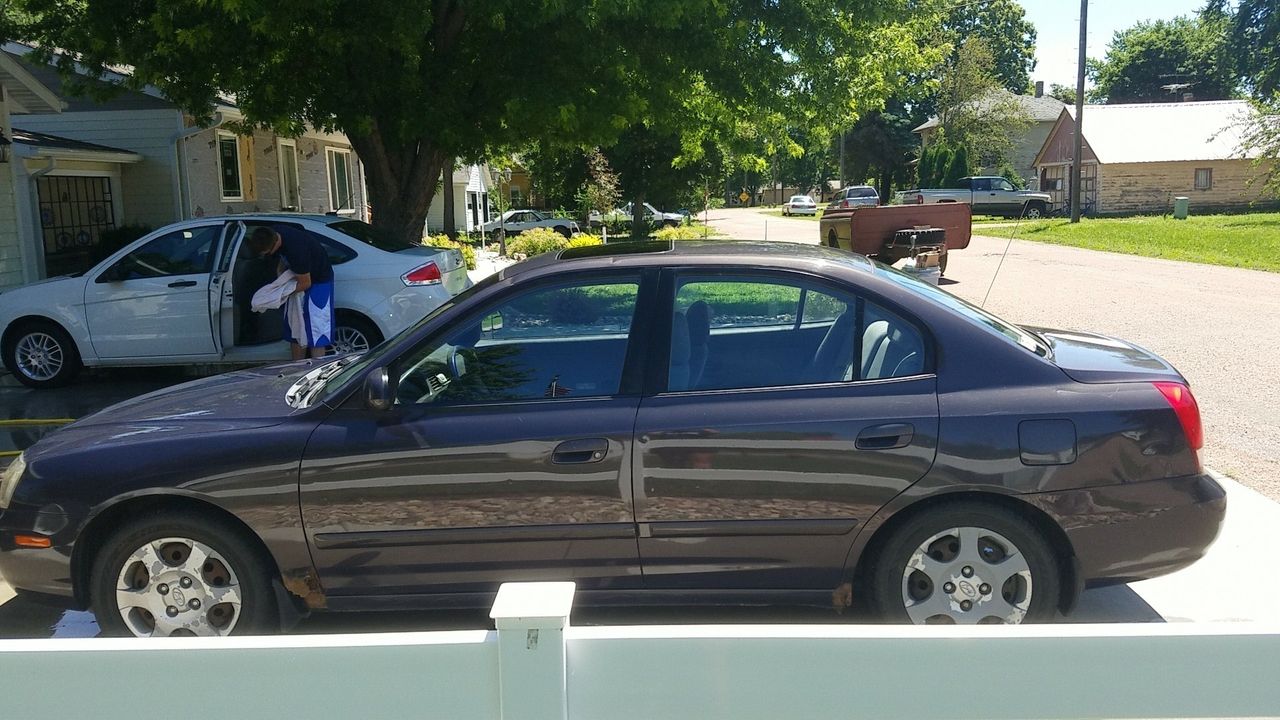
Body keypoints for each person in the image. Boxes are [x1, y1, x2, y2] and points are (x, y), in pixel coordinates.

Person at [246, 226, 334, 360]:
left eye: (267, 253)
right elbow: (282, 261)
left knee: (316, 328)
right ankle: (297, 368)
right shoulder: (277, 234)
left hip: (318, 281)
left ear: (274, 245)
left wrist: (279, 294)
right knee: (295, 325)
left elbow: (306, 283)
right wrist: (280, 277)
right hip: (297, 277)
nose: (267, 256)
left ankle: (319, 367)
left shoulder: (297, 251)